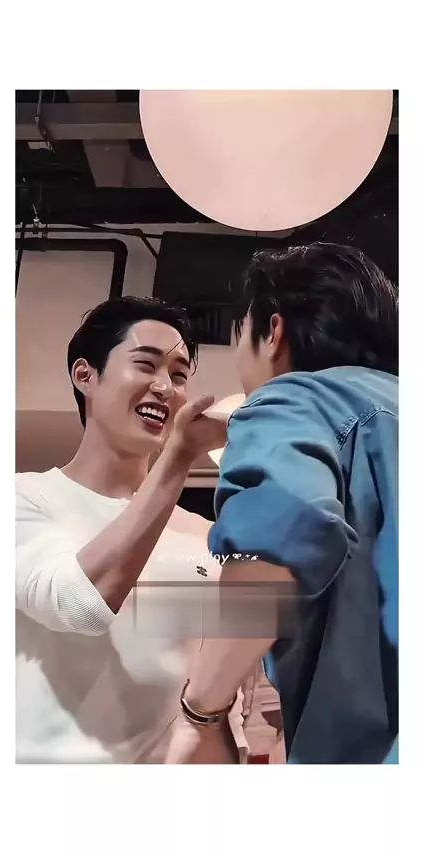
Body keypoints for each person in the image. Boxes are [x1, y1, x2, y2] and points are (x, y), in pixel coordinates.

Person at [166, 243, 398, 765]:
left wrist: (201, 713)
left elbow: (281, 537)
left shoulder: (291, 399)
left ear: (273, 333)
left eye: (239, 334)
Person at [16, 296, 250, 763]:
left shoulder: (207, 537)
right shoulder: (24, 497)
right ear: (85, 375)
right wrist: (179, 457)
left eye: (179, 375)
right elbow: (79, 605)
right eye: (146, 365)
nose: (165, 387)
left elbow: (222, 705)